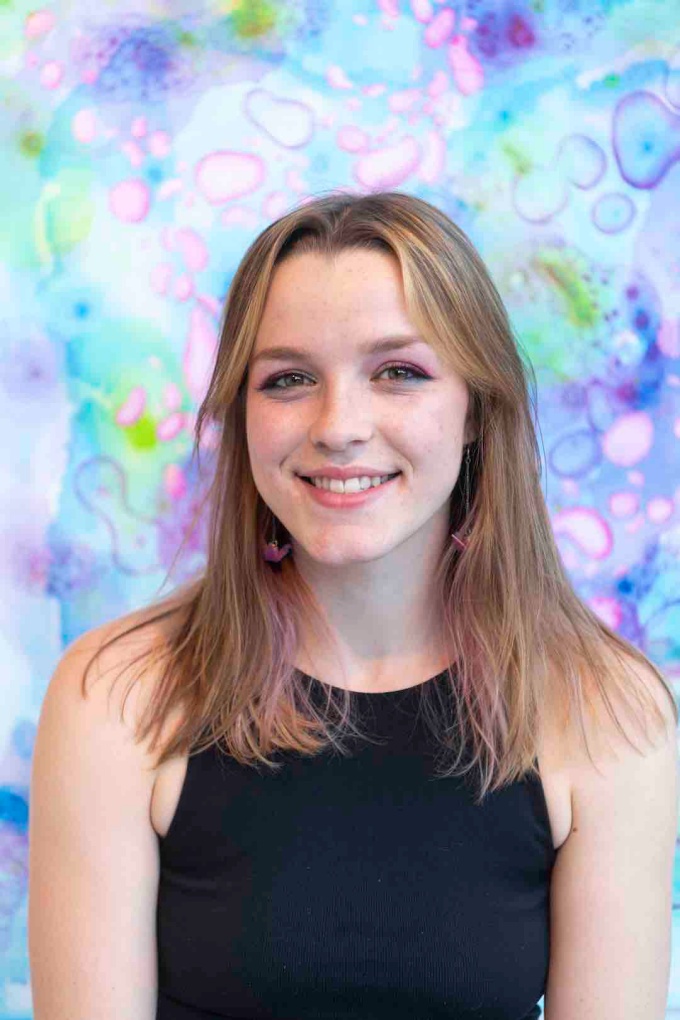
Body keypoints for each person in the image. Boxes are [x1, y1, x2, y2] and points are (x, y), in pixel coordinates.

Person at [28, 190, 678, 1019]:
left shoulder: (606, 713)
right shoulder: (118, 696)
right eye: (289, 378)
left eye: (398, 372)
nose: (338, 426)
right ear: (243, 413)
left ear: (477, 409)